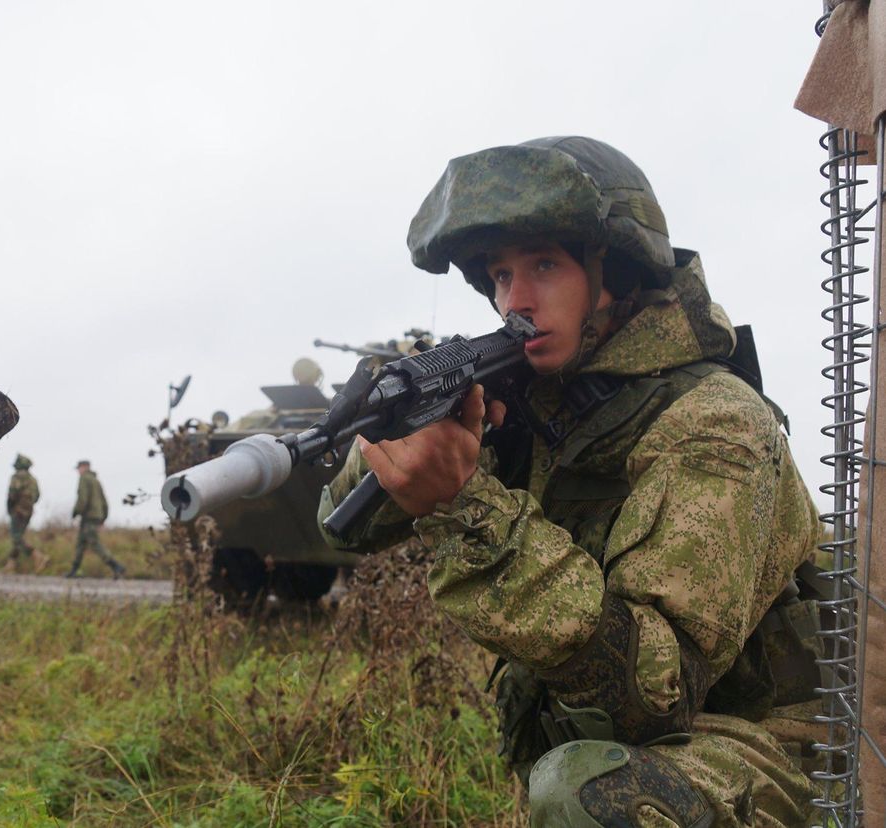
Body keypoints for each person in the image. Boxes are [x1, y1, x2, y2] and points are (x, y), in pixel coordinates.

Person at [318, 137, 827, 826]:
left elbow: (654, 691)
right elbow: (344, 528)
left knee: (585, 795)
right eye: (499, 276)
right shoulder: (534, 401)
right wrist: (401, 421)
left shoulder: (712, 422)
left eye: (545, 266)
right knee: (574, 780)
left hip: (757, 753)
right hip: (622, 743)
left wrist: (465, 508)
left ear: (613, 270)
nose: (515, 301)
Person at [67, 460, 125, 579]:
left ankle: (116, 566)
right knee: (81, 543)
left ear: (84, 467)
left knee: (94, 543)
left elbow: (82, 499)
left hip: (89, 517)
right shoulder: (96, 480)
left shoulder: (84, 479)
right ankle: (74, 570)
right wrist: (103, 517)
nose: (78, 471)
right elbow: (104, 501)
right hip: (96, 516)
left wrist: (75, 512)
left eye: (79, 468)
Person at [2, 454, 48, 574]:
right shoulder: (33, 479)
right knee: (18, 538)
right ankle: (10, 565)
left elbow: (12, 494)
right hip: (28, 512)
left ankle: (37, 556)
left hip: (17, 511)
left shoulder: (16, 477)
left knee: (16, 538)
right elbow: (37, 496)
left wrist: (10, 508)